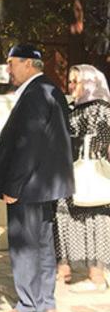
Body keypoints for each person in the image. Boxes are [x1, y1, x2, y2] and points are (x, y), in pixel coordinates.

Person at [0, 44, 74, 312]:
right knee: (42, 244)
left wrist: (13, 186)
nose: (8, 69)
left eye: (11, 63)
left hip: (28, 186)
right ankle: (45, 302)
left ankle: (28, 308)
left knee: (25, 246)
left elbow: (28, 145)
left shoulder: (35, 94)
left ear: (28, 64)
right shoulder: (52, 89)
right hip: (45, 185)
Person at [54, 64, 110, 293]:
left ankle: (96, 277)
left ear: (89, 82)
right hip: (72, 174)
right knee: (64, 216)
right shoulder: (72, 109)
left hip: (90, 174)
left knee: (93, 220)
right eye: (70, 81)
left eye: (76, 81)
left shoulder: (100, 110)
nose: (71, 86)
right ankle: (63, 269)